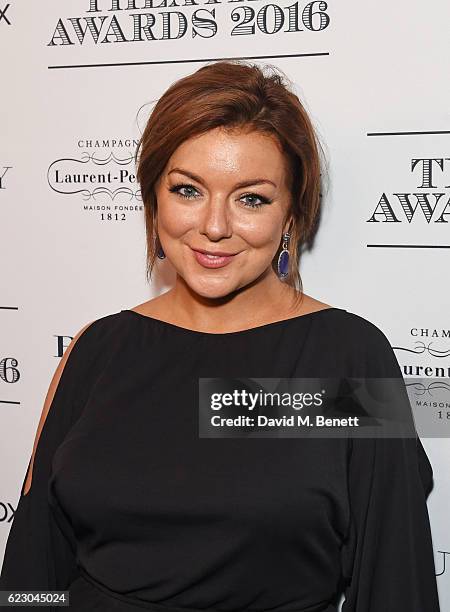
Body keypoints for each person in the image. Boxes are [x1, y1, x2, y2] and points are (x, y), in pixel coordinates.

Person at [0, 60, 440, 612]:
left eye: (251, 198)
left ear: (291, 215)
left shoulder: (349, 358)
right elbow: (33, 568)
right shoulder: (99, 348)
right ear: (154, 198)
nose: (213, 226)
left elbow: (394, 577)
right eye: (187, 190)